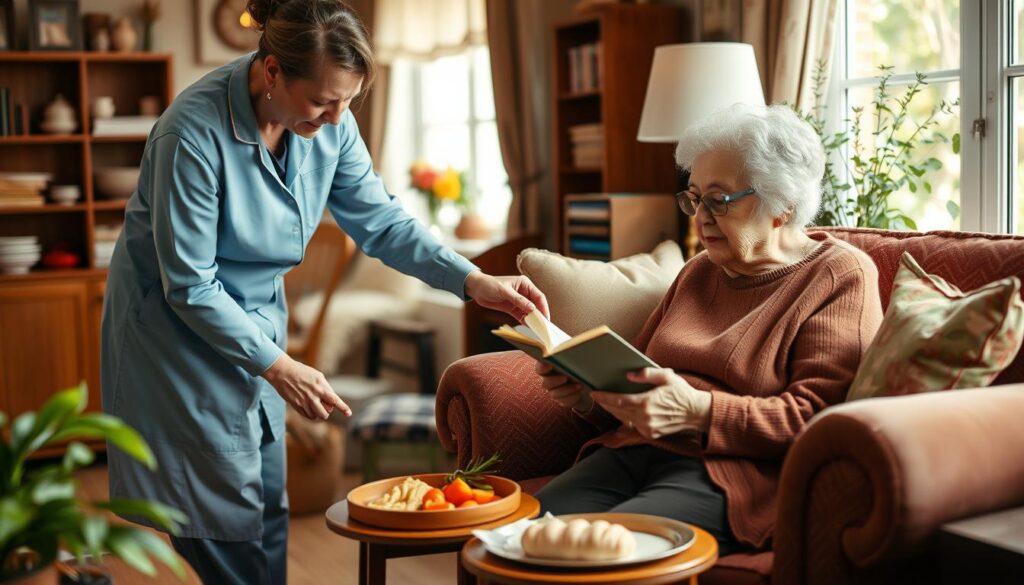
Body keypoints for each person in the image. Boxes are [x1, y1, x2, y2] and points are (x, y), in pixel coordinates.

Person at [99, 1, 547, 583]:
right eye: (322, 101)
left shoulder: (330, 125)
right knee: (218, 528)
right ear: (271, 71)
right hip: (174, 341)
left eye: (348, 102)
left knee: (266, 509)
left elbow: (382, 222)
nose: (336, 118)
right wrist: (281, 365)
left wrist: (471, 279)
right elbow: (189, 284)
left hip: (256, 327)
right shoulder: (191, 134)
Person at [533, 104, 883, 555]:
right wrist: (584, 392)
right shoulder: (699, 270)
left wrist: (700, 412)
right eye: (694, 197)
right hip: (631, 452)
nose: (700, 216)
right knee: (524, 538)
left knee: (604, 552)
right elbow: (638, 382)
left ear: (783, 206)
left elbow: (816, 420)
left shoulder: (839, 276)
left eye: (719, 200)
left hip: (730, 471)